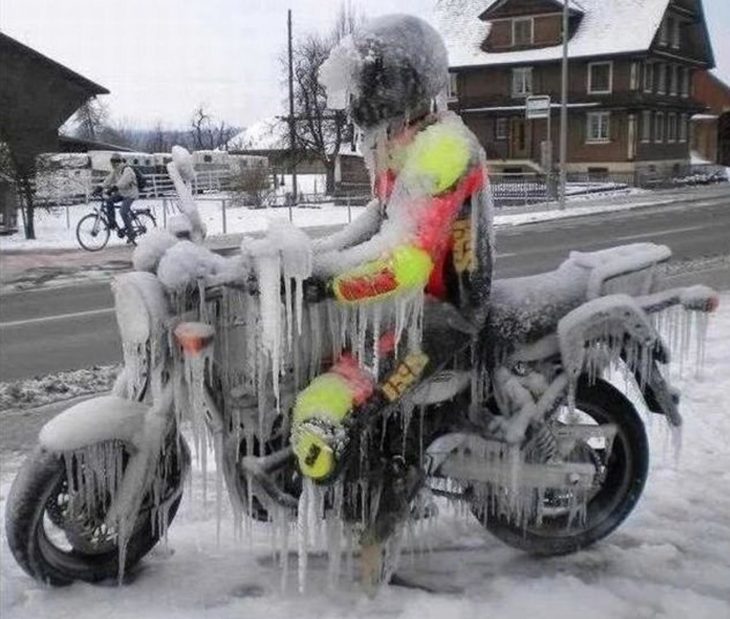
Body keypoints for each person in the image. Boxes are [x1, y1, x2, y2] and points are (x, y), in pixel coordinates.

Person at [289, 14, 494, 482]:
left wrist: (330, 283)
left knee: (338, 396)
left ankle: (382, 501)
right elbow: (377, 220)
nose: (359, 96)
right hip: (416, 302)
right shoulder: (403, 138)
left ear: (397, 82)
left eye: (368, 81)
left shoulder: (443, 147)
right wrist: (310, 260)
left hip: (447, 309)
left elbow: (406, 261)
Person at [96, 153, 139, 243]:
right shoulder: (115, 171)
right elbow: (108, 180)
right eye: (112, 161)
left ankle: (132, 233)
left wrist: (114, 188)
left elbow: (123, 182)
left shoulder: (127, 170)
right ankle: (112, 223)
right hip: (122, 193)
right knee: (109, 200)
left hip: (130, 194)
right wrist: (100, 187)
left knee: (123, 212)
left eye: (115, 161)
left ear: (119, 161)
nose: (113, 164)